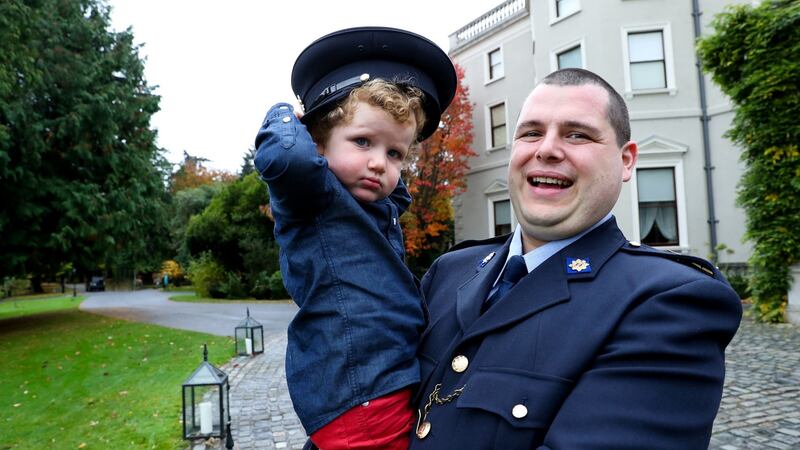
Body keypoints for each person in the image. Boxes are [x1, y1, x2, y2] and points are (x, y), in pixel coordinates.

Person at [409, 68, 742, 449]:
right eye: (531, 132)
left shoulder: (669, 302)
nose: (546, 148)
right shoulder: (451, 271)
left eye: (577, 134)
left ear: (627, 160)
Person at [253, 27, 456, 449]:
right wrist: (285, 114)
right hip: (359, 398)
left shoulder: (373, 207)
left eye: (394, 152)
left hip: (384, 386)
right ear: (318, 147)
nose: (379, 163)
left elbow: (395, 192)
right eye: (362, 141)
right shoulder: (314, 195)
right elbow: (286, 157)